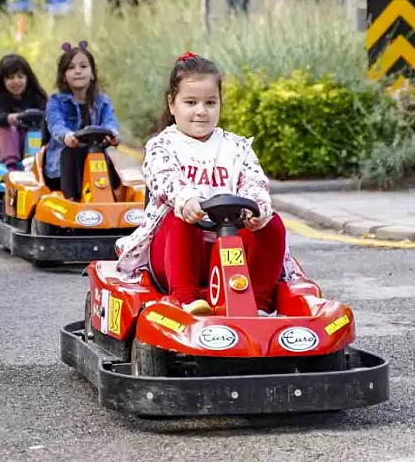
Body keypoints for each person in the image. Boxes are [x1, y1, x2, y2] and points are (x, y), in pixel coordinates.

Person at [114, 52, 288, 316]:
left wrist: (257, 208)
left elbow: (254, 180)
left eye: (210, 103)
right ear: (172, 105)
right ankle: (185, 300)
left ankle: (260, 303)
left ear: (220, 104)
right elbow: (165, 179)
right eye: (191, 102)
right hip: (175, 253)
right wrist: (187, 200)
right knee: (180, 219)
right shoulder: (162, 146)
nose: (201, 111)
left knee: (272, 224)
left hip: (228, 248)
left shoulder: (236, 146)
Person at [44, 40, 122, 199]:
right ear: (64, 76)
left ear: (92, 74)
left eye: (83, 66)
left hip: (94, 159)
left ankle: (108, 198)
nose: (78, 71)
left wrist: (113, 133)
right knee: (71, 152)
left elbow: (110, 120)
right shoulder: (56, 102)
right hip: (61, 164)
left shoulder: (102, 102)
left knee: (99, 155)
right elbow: (56, 124)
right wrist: (66, 136)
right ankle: (70, 198)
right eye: (71, 68)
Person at [0, 53, 48, 168]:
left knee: (45, 131)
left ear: (27, 78)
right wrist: (12, 118)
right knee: (9, 130)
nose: (16, 81)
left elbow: (49, 112)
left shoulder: (36, 96)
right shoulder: (0, 97)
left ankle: (42, 164)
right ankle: (11, 165)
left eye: (20, 77)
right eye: (10, 78)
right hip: (7, 141)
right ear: (2, 80)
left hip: (31, 138)